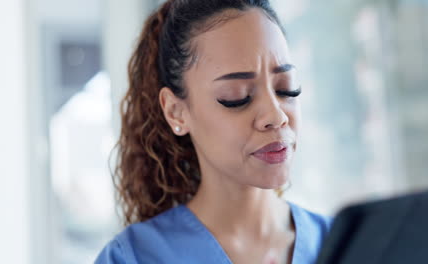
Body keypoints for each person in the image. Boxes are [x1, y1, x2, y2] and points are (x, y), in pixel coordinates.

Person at [96, 0, 331, 263]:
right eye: (237, 96)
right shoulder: (132, 258)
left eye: (286, 88)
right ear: (176, 112)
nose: (276, 116)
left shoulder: (347, 245)